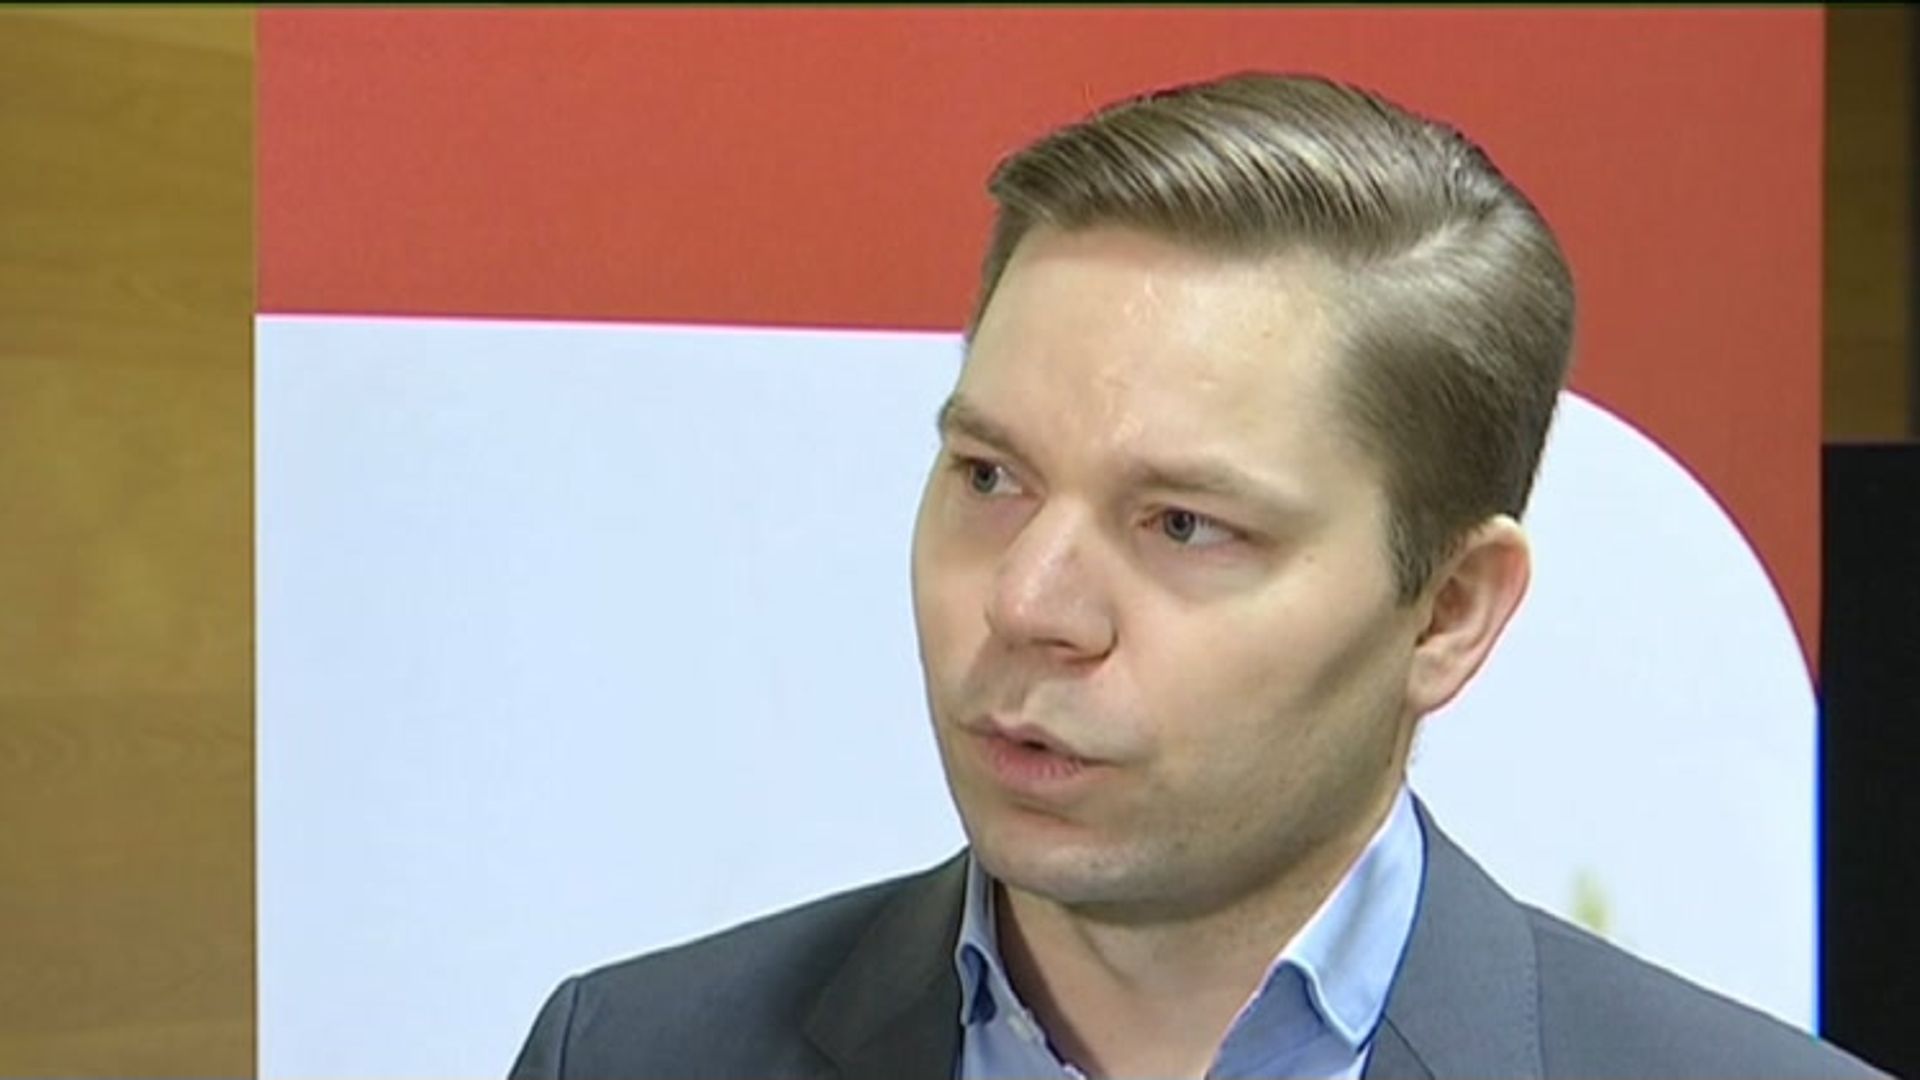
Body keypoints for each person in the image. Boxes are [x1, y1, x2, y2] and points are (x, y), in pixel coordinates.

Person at [509, 71, 1882, 1079]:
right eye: (989, 477)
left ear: (1450, 612)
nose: (1029, 604)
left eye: (1181, 525)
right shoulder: (628, 1052)